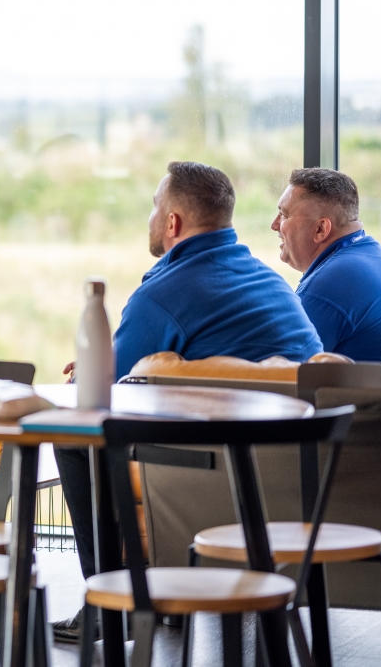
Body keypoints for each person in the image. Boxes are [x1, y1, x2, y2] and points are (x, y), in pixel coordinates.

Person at [53, 161, 324, 643]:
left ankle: (110, 602)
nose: (153, 217)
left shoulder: (162, 292)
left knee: (75, 440)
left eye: (157, 206)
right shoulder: (269, 282)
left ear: (173, 222)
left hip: (224, 474)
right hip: (301, 476)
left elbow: (103, 392)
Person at [272, 167, 381, 361]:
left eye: (284, 214)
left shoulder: (334, 281)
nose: (274, 225)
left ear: (321, 229)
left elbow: (279, 367)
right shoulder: (371, 258)